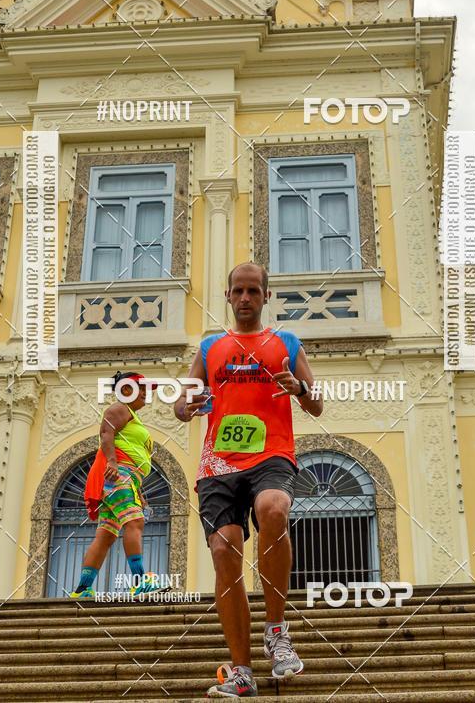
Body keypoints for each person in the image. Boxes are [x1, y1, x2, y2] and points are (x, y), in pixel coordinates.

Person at [175, 262, 323, 697]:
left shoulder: (287, 342)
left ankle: (276, 631)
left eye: (253, 291)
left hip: (272, 454)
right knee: (225, 551)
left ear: (266, 296)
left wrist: (299, 388)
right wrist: (191, 403)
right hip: (218, 464)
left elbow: (317, 405)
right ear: (227, 296)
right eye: (237, 290)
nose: (245, 298)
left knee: (273, 508)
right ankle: (241, 671)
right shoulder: (209, 347)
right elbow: (181, 406)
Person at [71, 371, 156, 599]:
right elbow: (106, 433)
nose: (147, 394)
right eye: (143, 388)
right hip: (120, 475)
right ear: (126, 390)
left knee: (106, 535)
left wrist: (138, 490)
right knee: (135, 521)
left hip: (126, 478)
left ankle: (82, 589)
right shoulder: (120, 409)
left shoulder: (131, 415)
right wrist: (112, 462)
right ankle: (140, 582)